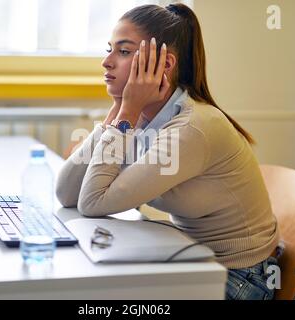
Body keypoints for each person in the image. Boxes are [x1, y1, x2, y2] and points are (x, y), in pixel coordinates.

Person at [56, 3, 279, 300]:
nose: (106, 62)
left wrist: (127, 110)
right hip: (191, 257)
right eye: (109, 49)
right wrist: (119, 109)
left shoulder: (192, 127)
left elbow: (92, 202)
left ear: (164, 65)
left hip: (238, 278)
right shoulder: (141, 116)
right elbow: (66, 193)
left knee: (102, 297)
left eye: (123, 51)